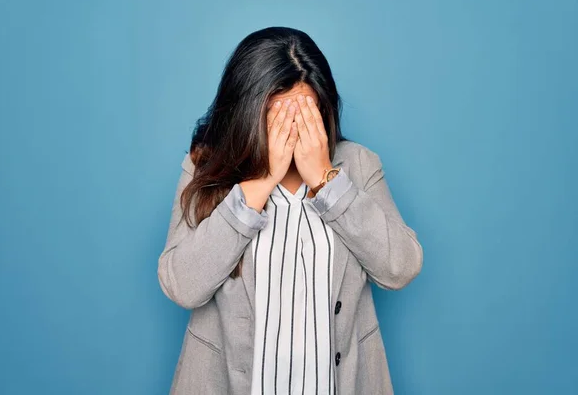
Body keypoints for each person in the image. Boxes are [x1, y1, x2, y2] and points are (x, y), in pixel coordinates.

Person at [157, 26, 423, 395]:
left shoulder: (358, 166)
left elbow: (401, 267)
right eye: (279, 117)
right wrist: (261, 182)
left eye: (305, 113)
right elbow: (182, 285)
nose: (293, 129)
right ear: (247, 112)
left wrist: (328, 181)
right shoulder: (206, 168)